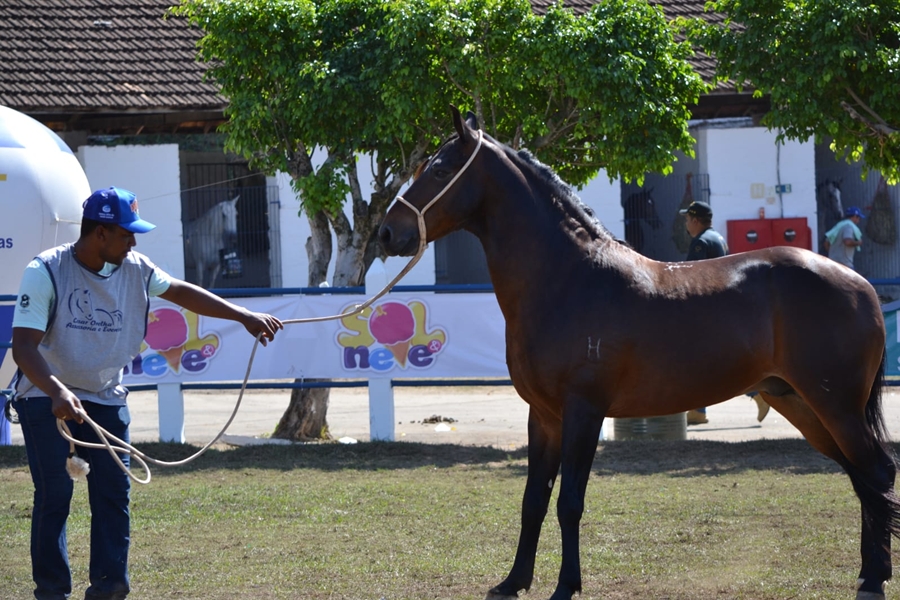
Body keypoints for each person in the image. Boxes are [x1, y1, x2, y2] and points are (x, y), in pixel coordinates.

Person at [10, 187, 283, 600]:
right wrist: (58, 391)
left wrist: (242, 315)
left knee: (114, 495)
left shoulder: (136, 267)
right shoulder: (46, 270)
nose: (133, 242)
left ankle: (110, 589)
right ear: (100, 233)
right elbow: (24, 347)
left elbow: (180, 290)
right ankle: (51, 593)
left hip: (104, 395)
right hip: (45, 395)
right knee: (54, 495)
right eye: (126, 234)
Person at [679, 201, 769, 425]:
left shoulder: (700, 243)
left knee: (699, 362)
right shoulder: (718, 238)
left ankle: (754, 394)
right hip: (722, 309)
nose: (686, 224)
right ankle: (698, 410)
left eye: (687, 219)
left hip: (707, 312)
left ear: (695, 220)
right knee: (705, 362)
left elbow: (692, 279)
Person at [825, 205, 865, 270]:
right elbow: (847, 242)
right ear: (855, 216)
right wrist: (858, 242)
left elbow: (826, 243)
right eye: (859, 218)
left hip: (832, 264)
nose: (859, 220)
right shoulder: (848, 226)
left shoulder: (838, 226)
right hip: (845, 265)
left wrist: (833, 253)